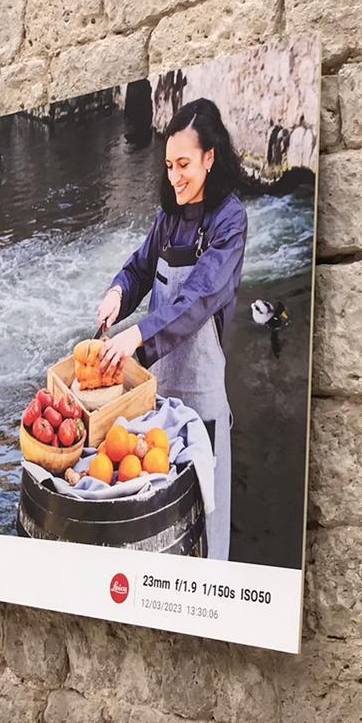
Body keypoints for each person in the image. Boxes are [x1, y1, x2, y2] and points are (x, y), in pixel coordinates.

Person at [96, 98, 247, 560]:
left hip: (201, 402)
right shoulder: (168, 218)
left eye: (184, 164)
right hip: (158, 403)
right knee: (160, 520)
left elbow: (198, 298)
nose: (175, 176)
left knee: (205, 518)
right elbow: (140, 268)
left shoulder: (230, 221)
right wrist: (118, 294)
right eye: (168, 165)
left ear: (210, 157)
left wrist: (137, 337)